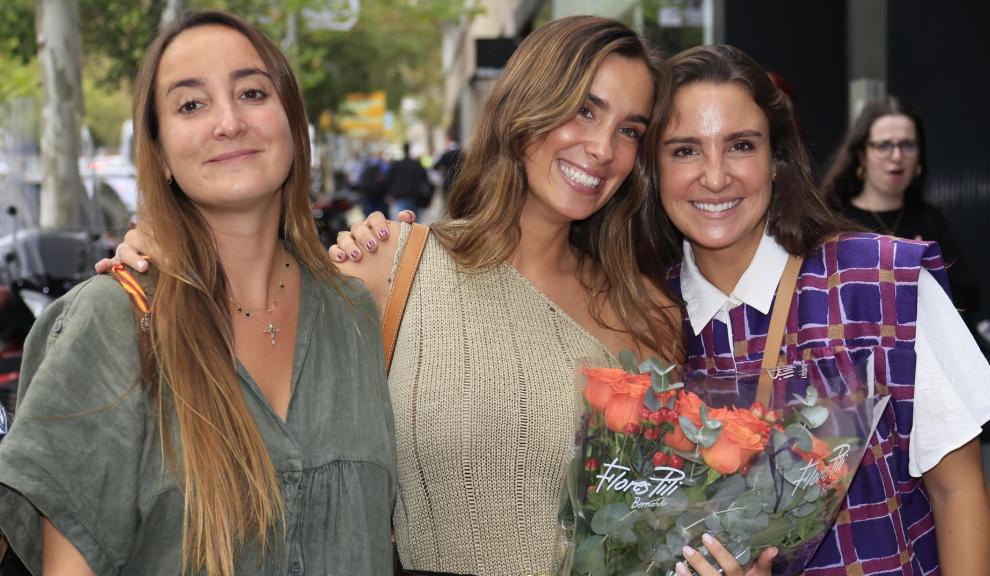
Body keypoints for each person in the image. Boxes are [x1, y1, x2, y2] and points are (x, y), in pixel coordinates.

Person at [98, 15, 685, 576]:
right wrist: (165, 251)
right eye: (584, 110)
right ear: (525, 107)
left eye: (629, 130)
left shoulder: (646, 314)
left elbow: (662, 514)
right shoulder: (391, 266)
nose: (603, 148)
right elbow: (256, 350)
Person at [0, 11, 395, 576]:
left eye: (252, 93)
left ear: (292, 122)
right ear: (160, 154)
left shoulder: (359, 313)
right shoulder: (112, 322)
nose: (229, 122)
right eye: (191, 105)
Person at [637, 45, 990, 575]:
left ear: (777, 160)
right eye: (685, 150)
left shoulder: (878, 283)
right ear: (652, 169)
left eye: (741, 145)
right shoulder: (640, 316)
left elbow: (959, 491)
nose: (715, 176)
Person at [821, 96, 981, 324]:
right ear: (862, 155)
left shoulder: (929, 218)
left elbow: (971, 295)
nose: (897, 156)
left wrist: (926, 274)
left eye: (907, 145)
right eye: (883, 145)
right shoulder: (833, 219)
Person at [385, 142, 432, 218]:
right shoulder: (416, 164)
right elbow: (425, 181)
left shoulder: (396, 165)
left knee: (401, 221)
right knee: (414, 221)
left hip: (400, 196)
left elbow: (389, 180)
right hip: (415, 197)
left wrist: (389, 194)